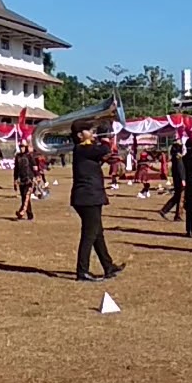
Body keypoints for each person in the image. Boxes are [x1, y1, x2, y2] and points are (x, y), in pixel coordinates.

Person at [70, 119, 124, 282]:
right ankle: (82, 271)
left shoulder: (86, 149)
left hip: (90, 196)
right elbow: (104, 149)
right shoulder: (82, 148)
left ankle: (108, 266)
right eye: (88, 130)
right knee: (89, 234)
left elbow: (101, 155)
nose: (92, 132)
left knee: (97, 233)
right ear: (80, 135)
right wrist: (105, 138)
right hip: (87, 197)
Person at [158, 143, 186, 221]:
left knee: (177, 197)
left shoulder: (174, 158)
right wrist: (183, 179)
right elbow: (180, 170)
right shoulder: (178, 158)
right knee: (180, 197)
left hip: (176, 180)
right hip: (180, 180)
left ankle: (165, 210)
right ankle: (177, 215)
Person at [13, 140, 36, 220]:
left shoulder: (29, 156)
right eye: (20, 147)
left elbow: (35, 167)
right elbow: (16, 169)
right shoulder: (18, 156)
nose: (21, 148)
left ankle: (21, 212)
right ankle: (30, 215)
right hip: (21, 180)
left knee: (26, 196)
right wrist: (15, 180)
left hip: (29, 180)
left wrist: (36, 176)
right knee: (24, 197)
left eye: (23, 147)